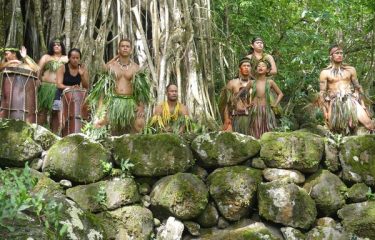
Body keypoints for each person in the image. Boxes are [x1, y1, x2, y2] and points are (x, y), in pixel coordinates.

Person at [93, 38, 151, 135]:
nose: (125, 48)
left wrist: (141, 106)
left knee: (140, 124)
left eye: (127, 46)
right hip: (113, 101)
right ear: (118, 49)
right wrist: (101, 106)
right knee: (99, 123)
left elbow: (140, 90)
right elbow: (102, 83)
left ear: (131, 50)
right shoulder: (111, 66)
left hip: (130, 102)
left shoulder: (136, 68)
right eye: (122, 46)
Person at [319, 45, 374, 134]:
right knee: (334, 128)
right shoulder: (325, 73)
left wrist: (363, 105)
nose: (340, 55)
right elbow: (322, 93)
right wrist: (325, 112)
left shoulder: (350, 70)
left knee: (369, 124)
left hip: (350, 100)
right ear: (331, 56)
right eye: (337, 53)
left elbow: (358, 87)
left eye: (341, 53)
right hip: (335, 102)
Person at [54, 48, 89, 134]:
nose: (75, 60)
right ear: (69, 58)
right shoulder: (62, 68)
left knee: (78, 119)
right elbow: (59, 84)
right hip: (61, 95)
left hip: (76, 98)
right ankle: (56, 136)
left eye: (77, 58)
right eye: (73, 58)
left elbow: (86, 86)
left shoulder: (82, 68)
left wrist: (82, 75)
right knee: (61, 122)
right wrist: (71, 87)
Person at [248, 60, 283, 139]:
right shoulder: (251, 82)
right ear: (256, 69)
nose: (260, 67)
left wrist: (275, 104)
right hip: (255, 110)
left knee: (268, 131)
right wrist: (247, 104)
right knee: (255, 131)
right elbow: (243, 94)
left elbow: (280, 94)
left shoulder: (270, 82)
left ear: (267, 70)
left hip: (267, 110)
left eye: (263, 66)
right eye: (258, 66)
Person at [37, 38, 68, 127]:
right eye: (54, 45)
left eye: (58, 44)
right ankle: (39, 131)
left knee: (56, 111)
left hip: (59, 88)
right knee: (42, 110)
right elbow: (39, 69)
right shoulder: (46, 57)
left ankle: (54, 135)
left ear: (62, 46)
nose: (56, 46)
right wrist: (38, 79)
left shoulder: (66, 58)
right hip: (45, 87)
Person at [220, 57, 253, 134]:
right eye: (244, 66)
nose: (246, 68)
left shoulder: (255, 83)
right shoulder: (232, 83)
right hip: (235, 117)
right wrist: (226, 119)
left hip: (252, 118)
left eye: (248, 66)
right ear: (239, 68)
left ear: (251, 69)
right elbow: (225, 104)